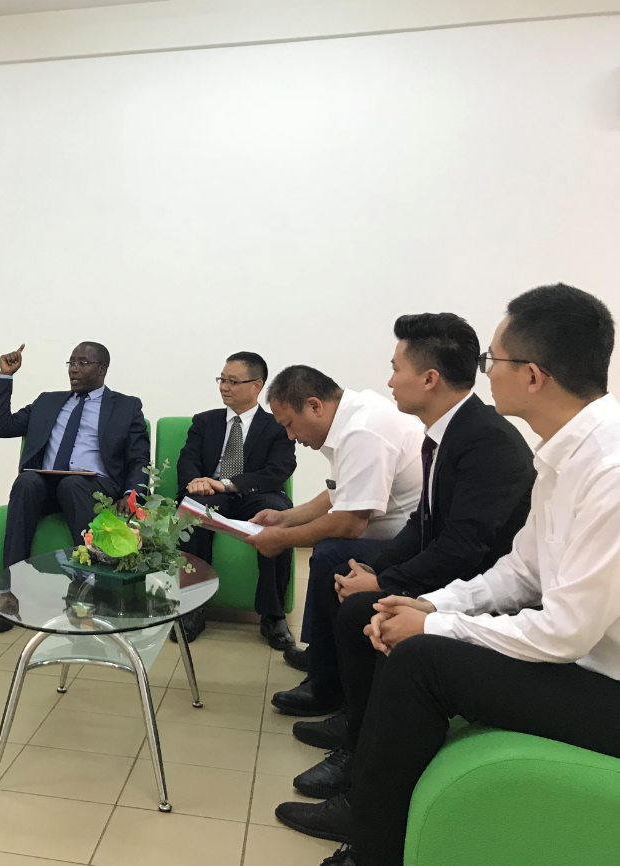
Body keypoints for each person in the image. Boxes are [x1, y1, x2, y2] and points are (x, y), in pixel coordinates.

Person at [301, 284, 620, 866]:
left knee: (421, 661)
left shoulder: (609, 468)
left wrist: (433, 626)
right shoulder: (564, 455)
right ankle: (367, 799)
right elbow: (521, 571)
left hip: (607, 683)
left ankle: (369, 847)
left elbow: (565, 632)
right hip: (584, 658)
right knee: (405, 630)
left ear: (533, 375)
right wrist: (431, 607)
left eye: (492, 359)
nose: (484, 372)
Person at [275, 313, 535, 842]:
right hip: (464, 573)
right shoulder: (446, 433)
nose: (389, 380)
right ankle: (355, 735)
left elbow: (464, 550)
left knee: (367, 610)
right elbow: (423, 524)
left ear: (429, 378)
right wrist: (379, 571)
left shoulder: (487, 442)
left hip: (485, 590)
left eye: (397, 368)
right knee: (355, 597)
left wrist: (388, 586)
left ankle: (362, 778)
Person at [250, 366, 423, 716]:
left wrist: (282, 539)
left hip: (411, 543)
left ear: (314, 405)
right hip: (395, 532)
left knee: (331, 553)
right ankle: (323, 652)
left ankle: (327, 684)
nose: (290, 436)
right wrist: (284, 518)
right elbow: (337, 494)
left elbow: (350, 524)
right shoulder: (352, 416)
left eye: (289, 424)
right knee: (327, 549)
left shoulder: (363, 431)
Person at [0, 342, 150, 633]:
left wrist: (131, 495)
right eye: (71, 363)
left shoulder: (126, 406)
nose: (74, 369)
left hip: (94, 486)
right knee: (26, 481)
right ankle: (9, 590)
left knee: (73, 483)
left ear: (102, 369)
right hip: (46, 485)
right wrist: (5, 377)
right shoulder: (47, 401)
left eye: (82, 363)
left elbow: (139, 458)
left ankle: (86, 587)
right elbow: (3, 427)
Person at [175, 351, 297, 647]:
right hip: (211, 494)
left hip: (256, 494)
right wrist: (197, 483)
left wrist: (228, 484)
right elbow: (187, 459)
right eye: (222, 380)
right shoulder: (204, 421)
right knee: (193, 511)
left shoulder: (277, 426)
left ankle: (272, 615)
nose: (224, 387)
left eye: (232, 381)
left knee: (278, 518)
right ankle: (193, 607)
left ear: (257, 386)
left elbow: (278, 470)